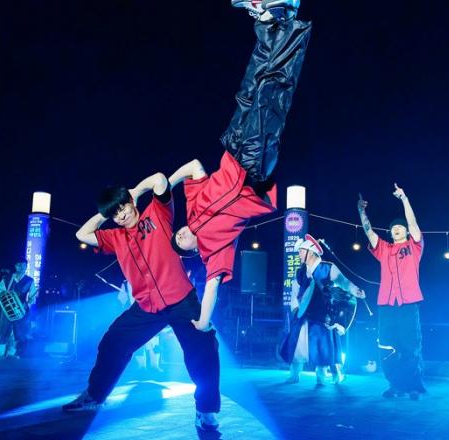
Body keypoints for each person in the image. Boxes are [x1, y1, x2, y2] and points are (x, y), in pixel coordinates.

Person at [168, 0, 311, 337]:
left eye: (177, 233)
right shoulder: (213, 251)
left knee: (251, 88)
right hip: (253, 171)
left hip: (232, 151)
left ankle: (267, 18)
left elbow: (194, 166)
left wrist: (168, 185)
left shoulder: (192, 205)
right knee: (271, 94)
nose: (181, 235)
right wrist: (203, 321)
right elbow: (212, 286)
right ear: (191, 251)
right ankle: (289, 18)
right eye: (180, 242)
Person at [65, 173, 221, 432]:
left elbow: (159, 180)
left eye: (123, 208)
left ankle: (205, 410)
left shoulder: (156, 213)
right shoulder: (115, 236)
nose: (121, 216)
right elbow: (82, 233)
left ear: (131, 202)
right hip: (147, 308)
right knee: (112, 342)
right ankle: (94, 395)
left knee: (203, 350)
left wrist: (134, 192)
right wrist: (107, 211)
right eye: (115, 214)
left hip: (181, 300)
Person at [357, 184, 427, 400]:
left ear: (406, 231)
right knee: (386, 346)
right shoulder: (384, 249)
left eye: (400, 226)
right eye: (393, 227)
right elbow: (368, 231)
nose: (396, 228)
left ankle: (413, 386)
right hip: (387, 305)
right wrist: (361, 212)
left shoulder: (414, 247)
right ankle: (395, 385)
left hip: (408, 304)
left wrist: (404, 199)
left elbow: (413, 224)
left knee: (410, 347)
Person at [279, 234, 365, 385]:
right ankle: (294, 374)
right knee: (297, 345)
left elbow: (343, 282)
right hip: (303, 314)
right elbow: (295, 291)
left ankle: (322, 376)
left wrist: (355, 290)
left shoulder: (328, 268)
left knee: (322, 347)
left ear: (311, 252)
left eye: (301, 251)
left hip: (322, 314)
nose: (299, 254)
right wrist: (295, 308)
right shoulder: (301, 272)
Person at [0, 258, 38, 359]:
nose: (22, 267)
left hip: (21, 310)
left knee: (19, 332)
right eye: (19, 265)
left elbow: (32, 296)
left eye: (24, 265)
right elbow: (0, 291)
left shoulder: (30, 280)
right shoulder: (7, 278)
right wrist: (7, 297)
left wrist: (29, 301)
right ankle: (0, 354)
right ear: (15, 266)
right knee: (3, 330)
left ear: (26, 266)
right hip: (7, 309)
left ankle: (13, 353)